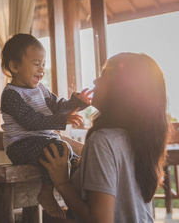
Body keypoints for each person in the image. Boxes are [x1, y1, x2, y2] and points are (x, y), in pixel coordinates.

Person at [40, 52, 171, 223]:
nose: (95, 81)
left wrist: (62, 183)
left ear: (122, 89)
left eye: (104, 75)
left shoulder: (102, 140)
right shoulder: (137, 138)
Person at [0, 33, 92, 218]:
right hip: (21, 145)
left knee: (74, 162)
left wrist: (77, 103)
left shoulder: (41, 89)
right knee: (59, 148)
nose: (42, 69)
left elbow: (57, 106)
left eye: (43, 64)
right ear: (14, 66)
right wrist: (61, 121)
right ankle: (46, 192)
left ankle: (78, 210)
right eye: (36, 64)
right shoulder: (11, 94)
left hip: (43, 141)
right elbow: (30, 121)